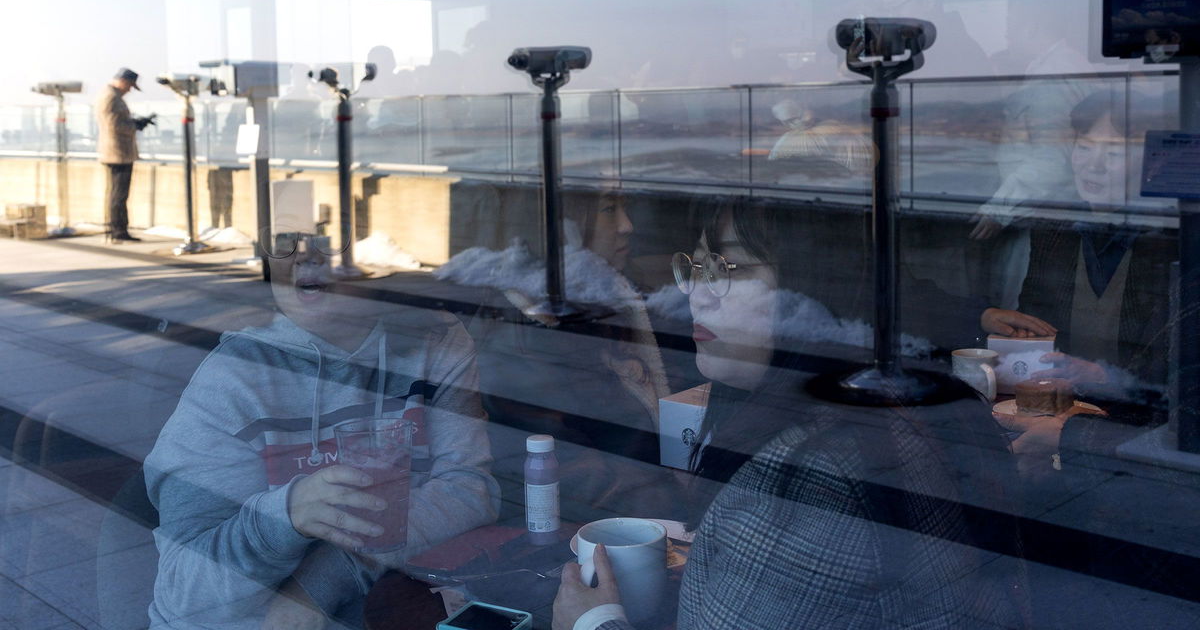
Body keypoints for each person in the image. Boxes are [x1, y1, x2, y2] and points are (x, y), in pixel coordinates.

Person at [553, 196, 1027, 630]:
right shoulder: (879, 408)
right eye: (696, 267)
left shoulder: (812, 477)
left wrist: (593, 622)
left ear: (815, 286)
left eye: (728, 267)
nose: (698, 294)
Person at [145, 232, 500, 629]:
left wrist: (319, 583)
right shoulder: (233, 379)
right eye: (284, 238)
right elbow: (183, 593)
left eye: (329, 236)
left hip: (377, 607)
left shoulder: (435, 339)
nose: (306, 254)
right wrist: (286, 517)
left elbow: (469, 491)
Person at [436, 186, 680, 520]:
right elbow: (578, 478)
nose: (627, 225)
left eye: (625, 208)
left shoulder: (601, 309)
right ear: (565, 227)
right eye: (609, 210)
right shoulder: (528, 344)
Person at [980, 91, 1174, 387]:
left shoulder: (1171, 241)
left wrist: (1106, 378)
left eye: (1113, 153)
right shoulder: (1053, 228)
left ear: (1153, 163)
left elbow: (1178, 365)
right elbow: (1035, 327)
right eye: (1083, 147)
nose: (1093, 165)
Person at [95, 67, 155, 241]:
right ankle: (118, 230)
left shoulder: (110, 95)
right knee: (119, 194)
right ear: (123, 81)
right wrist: (135, 126)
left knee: (118, 194)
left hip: (116, 151)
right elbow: (113, 125)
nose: (129, 90)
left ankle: (118, 229)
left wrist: (135, 122)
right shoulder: (111, 97)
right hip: (117, 152)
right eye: (129, 86)